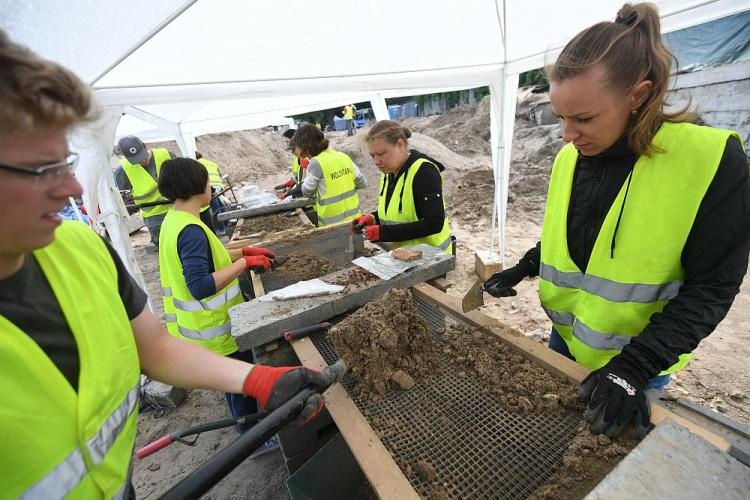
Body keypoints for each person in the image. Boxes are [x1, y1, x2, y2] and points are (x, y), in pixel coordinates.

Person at [0, 30, 327, 498]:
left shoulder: (79, 248)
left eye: (66, 163)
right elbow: (199, 282)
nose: (72, 190)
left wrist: (257, 378)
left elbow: (153, 348)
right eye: (40, 168)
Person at [483, 3, 749, 439]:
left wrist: (634, 367)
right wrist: (525, 266)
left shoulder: (711, 161)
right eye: (561, 117)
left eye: (583, 118)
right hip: (566, 339)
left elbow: (713, 287)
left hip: (638, 359)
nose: (567, 135)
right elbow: (570, 237)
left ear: (638, 95)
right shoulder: (573, 154)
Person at [157, 157, 277, 432]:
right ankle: (249, 434)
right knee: (239, 381)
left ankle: (243, 422)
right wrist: (244, 264)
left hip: (201, 327)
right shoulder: (191, 231)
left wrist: (244, 252)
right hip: (214, 326)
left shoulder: (174, 221)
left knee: (229, 379)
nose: (211, 187)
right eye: (208, 182)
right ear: (198, 186)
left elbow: (211, 258)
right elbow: (199, 285)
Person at [354, 121, 454, 254]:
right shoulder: (389, 172)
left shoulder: (424, 171)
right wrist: (373, 218)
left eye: (382, 153)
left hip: (431, 257)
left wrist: (383, 232)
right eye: (372, 156)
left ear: (400, 145)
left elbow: (434, 223)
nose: (376, 162)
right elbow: (397, 212)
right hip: (404, 256)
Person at [289, 123, 367, 226]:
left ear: (304, 145)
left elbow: (307, 191)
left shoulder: (316, 163)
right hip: (355, 220)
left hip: (332, 225)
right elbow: (362, 183)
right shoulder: (343, 156)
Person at [114, 136, 176, 246]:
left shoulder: (167, 155)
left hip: (177, 207)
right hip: (153, 216)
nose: (143, 161)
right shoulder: (122, 171)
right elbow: (121, 197)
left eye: (142, 156)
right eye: (136, 160)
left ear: (145, 146)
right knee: (164, 246)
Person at [195, 150, 229, 234]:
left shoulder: (196, 165)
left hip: (211, 188)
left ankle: (221, 230)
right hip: (219, 186)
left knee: (216, 210)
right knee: (222, 207)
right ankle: (226, 227)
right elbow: (219, 175)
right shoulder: (212, 163)